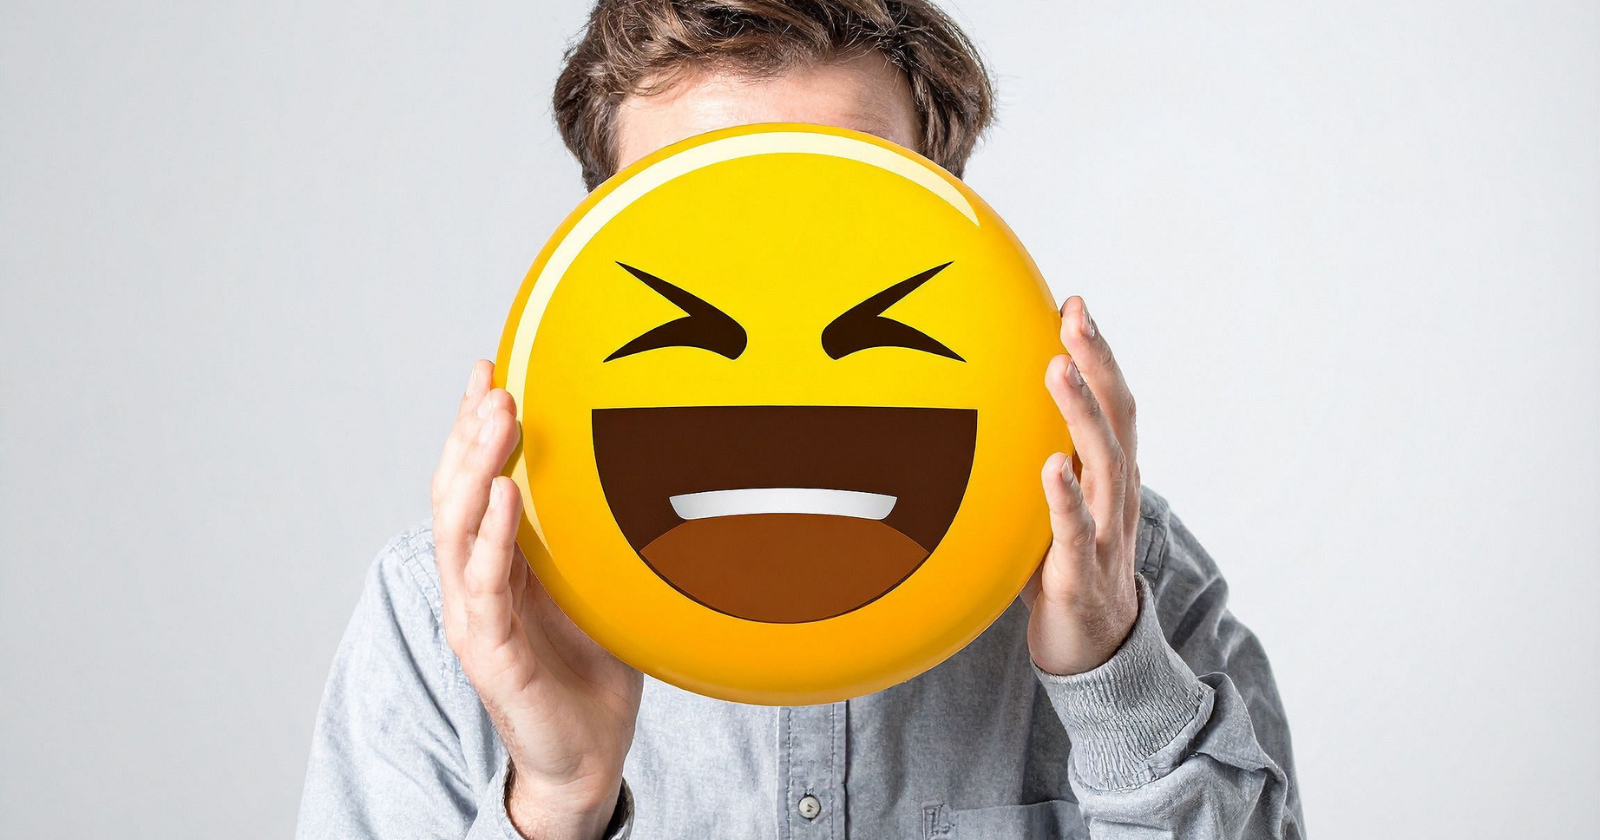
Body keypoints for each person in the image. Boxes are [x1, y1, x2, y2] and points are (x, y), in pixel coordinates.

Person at [295, 2, 1304, 837]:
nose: (777, 311)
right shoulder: (444, 616)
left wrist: (1114, 683)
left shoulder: (1131, 576)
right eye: (699, 215)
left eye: (844, 210)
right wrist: (557, 804)